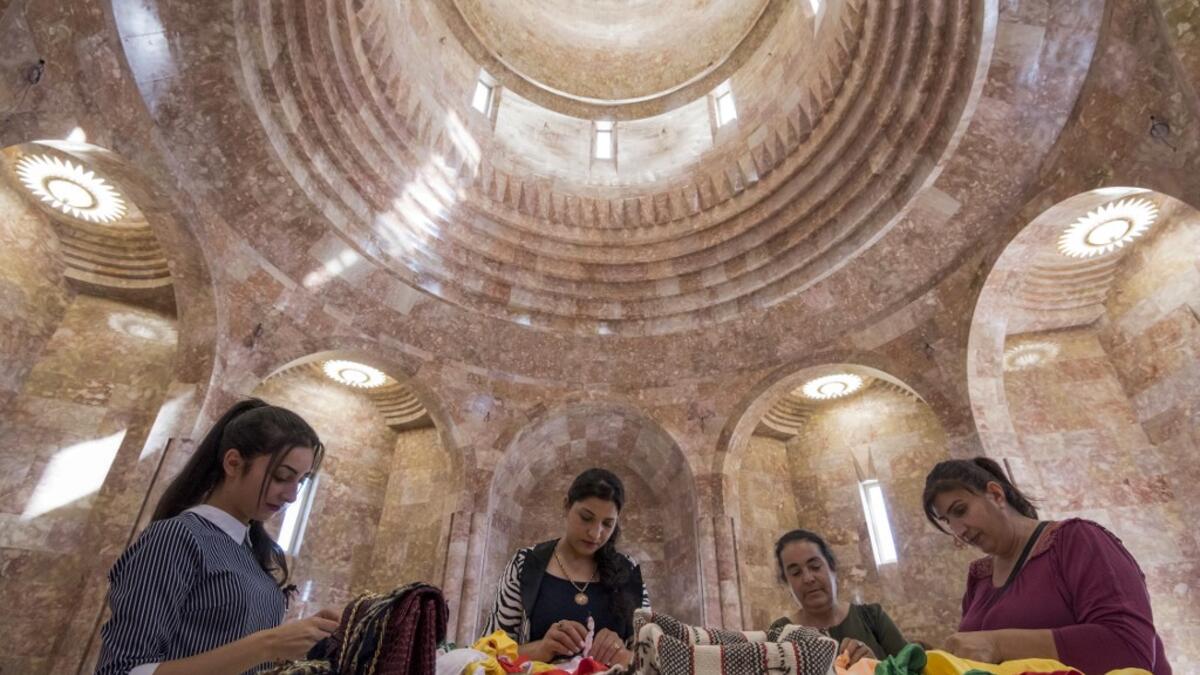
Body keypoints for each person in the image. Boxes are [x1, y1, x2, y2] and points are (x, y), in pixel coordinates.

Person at [96, 399, 341, 675]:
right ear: (233, 463)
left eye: (301, 481)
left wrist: (309, 640)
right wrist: (267, 645)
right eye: (282, 476)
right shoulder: (178, 537)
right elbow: (121, 670)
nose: (292, 495)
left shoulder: (252, 554)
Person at [923, 457, 1171, 674]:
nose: (959, 531)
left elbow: (1129, 648)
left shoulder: (1075, 540)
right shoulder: (979, 578)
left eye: (961, 510)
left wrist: (998, 645)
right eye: (948, 522)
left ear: (996, 494)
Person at [484, 468, 649, 668]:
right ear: (566, 506)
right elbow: (486, 655)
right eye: (586, 518)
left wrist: (622, 655)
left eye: (607, 524)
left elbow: (652, 661)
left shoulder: (628, 570)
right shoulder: (525, 564)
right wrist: (541, 649)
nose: (595, 533)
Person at [769, 529, 908, 665]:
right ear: (787, 582)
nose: (808, 578)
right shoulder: (780, 633)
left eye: (815, 566)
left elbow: (912, 668)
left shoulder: (872, 617)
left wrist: (876, 667)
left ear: (832, 568)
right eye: (796, 572)